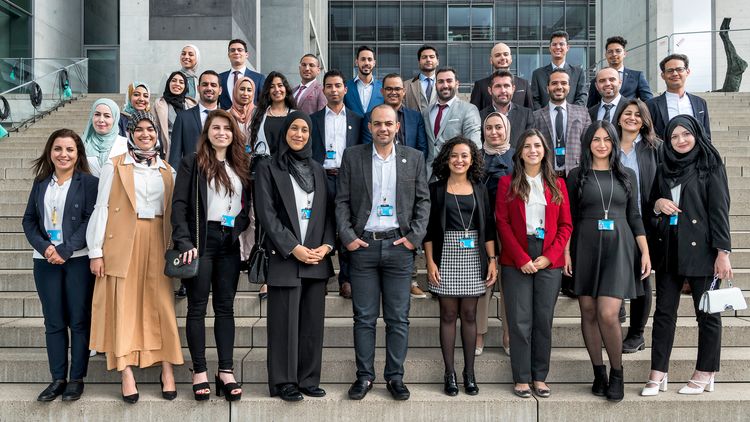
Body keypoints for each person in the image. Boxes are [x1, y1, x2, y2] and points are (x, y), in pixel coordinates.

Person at [87, 111, 183, 403]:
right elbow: (102, 206)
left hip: (159, 239)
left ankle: (167, 367)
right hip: (122, 240)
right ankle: (125, 371)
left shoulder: (167, 170)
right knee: (124, 305)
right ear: (130, 134)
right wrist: (96, 251)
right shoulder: (115, 165)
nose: (145, 134)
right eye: (139, 129)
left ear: (157, 134)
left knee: (161, 304)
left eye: (150, 130)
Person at [335, 104, 430, 401]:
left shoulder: (414, 158)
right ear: (370, 127)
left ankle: (395, 377)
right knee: (364, 318)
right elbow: (341, 201)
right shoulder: (353, 156)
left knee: (398, 318)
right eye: (378, 124)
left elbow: (423, 202)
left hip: (399, 247)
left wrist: (413, 238)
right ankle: (364, 376)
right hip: (363, 246)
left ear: (397, 126)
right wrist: (348, 238)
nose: (383, 128)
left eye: (389, 123)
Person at [642, 115, 731, 396]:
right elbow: (651, 206)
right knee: (664, 313)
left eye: (686, 134)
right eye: (674, 136)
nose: (680, 140)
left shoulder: (710, 165)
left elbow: (719, 211)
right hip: (669, 250)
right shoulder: (663, 167)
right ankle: (658, 373)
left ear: (696, 134)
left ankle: (705, 371)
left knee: (707, 314)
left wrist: (723, 252)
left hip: (703, 252)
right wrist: (658, 203)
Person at [564, 120, 651, 402]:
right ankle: (598, 372)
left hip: (619, 247)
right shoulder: (576, 175)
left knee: (608, 313)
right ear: (587, 143)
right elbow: (570, 218)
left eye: (607, 139)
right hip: (585, 246)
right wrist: (566, 252)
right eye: (596, 139)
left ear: (614, 142)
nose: (601, 145)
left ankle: (617, 372)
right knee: (588, 312)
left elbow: (634, 215)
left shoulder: (627, 175)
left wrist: (645, 251)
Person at [255, 111, 335, 401]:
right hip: (285, 256)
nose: (299, 134)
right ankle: (284, 381)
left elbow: (328, 213)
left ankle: (308, 379)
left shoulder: (317, 169)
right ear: (284, 132)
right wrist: (293, 247)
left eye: (304, 130)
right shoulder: (268, 167)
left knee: (312, 324)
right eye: (294, 128)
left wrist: (327, 246)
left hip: (316, 257)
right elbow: (266, 214)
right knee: (283, 324)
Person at [171, 110, 250, 401]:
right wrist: (184, 241)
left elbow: (245, 206)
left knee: (225, 308)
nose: (222, 133)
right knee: (197, 307)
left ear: (233, 133)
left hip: (229, 241)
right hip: (200, 242)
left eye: (227, 128)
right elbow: (179, 205)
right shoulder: (193, 162)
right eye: (216, 128)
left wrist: (237, 228)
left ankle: (225, 371)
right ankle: (200, 371)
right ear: (207, 132)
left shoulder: (240, 164)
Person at [496, 128, 573, 398]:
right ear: (519, 152)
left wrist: (550, 256)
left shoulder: (558, 184)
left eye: (537, 145)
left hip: (548, 258)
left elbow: (566, 225)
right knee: (519, 321)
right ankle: (521, 377)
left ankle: (540, 376)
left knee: (543, 320)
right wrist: (521, 258)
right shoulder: (507, 183)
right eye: (527, 146)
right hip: (516, 256)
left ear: (544, 151)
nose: (532, 150)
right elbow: (502, 223)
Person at [23, 129, 98, 402]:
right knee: (53, 320)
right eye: (58, 149)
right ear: (50, 152)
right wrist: (45, 247)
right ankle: (57, 379)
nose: (63, 154)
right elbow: (29, 220)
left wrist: (65, 250)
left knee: (78, 319)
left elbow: (91, 220)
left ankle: (76, 379)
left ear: (78, 154)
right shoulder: (41, 182)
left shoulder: (89, 182)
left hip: (77, 259)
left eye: (69, 149)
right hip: (45, 261)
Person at [424, 137, 497, 397]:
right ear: (447, 158)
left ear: (472, 159)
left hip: (473, 256)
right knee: (447, 315)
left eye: (465, 156)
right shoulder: (436, 189)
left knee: (469, 315)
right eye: (454, 155)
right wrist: (430, 262)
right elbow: (429, 230)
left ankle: (469, 373)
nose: (459, 160)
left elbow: (488, 228)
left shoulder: (480, 189)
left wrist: (492, 260)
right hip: (445, 255)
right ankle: (449, 373)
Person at [309, 69, 365, 299]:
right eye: (329, 86)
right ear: (323, 90)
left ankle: (347, 279)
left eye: (338, 85)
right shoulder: (312, 120)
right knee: (320, 226)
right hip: (321, 178)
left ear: (345, 89)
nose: (334, 90)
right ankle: (320, 276)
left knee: (346, 227)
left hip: (347, 179)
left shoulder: (357, 120)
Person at [613, 98, 662, 354]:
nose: (632, 117)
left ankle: (637, 333)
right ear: (619, 117)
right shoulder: (607, 146)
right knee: (614, 270)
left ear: (644, 121)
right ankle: (615, 315)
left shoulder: (654, 148)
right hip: (614, 221)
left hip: (646, 221)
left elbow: (665, 181)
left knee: (642, 276)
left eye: (637, 114)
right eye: (627, 113)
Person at [476, 112, 514, 357]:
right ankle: (479, 333)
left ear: (507, 129)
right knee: (483, 283)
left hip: (511, 228)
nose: (493, 132)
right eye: (488, 128)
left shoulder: (517, 156)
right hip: (482, 227)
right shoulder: (476, 156)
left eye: (498, 127)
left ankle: (508, 334)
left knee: (510, 284)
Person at [533, 69, 592, 178]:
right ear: (547, 88)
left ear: (569, 88)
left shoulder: (583, 113)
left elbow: (588, 145)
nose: (559, 87)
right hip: (546, 175)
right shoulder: (535, 116)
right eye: (554, 83)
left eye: (564, 83)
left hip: (576, 174)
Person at [424, 67, 482, 177]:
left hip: (454, 174)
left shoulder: (468, 109)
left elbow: (474, 146)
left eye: (449, 81)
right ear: (435, 85)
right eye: (440, 81)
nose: (445, 85)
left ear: (457, 84)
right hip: (429, 175)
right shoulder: (426, 112)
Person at [647, 54, 711, 140]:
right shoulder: (650, 105)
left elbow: (706, 137)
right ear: (663, 75)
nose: (675, 73)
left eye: (679, 69)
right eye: (670, 70)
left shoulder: (700, 103)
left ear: (687, 72)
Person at [366, 73, 427, 157]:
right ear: (382, 91)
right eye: (389, 89)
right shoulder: (370, 117)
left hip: (409, 164)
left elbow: (422, 149)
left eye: (397, 89)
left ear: (404, 91)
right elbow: (366, 149)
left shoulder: (416, 117)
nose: (393, 92)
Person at [168, 70, 222, 165]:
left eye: (213, 85)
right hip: (192, 172)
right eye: (205, 84)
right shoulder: (183, 118)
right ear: (198, 88)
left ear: (220, 90)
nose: (209, 88)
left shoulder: (227, 119)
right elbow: (175, 156)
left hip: (221, 172)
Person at [586, 36, 653, 108]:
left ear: (624, 53)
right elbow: (591, 107)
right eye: (610, 52)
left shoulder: (637, 76)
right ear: (606, 55)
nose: (614, 54)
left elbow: (649, 102)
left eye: (618, 51)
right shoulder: (597, 80)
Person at [531, 31, 587, 110]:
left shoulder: (578, 73)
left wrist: (571, 114)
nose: (557, 47)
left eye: (561, 44)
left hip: (572, 116)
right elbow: (534, 100)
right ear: (550, 48)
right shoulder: (538, 74)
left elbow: (582, 97)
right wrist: (544, 115)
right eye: (554, 44)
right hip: (544, 116)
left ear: (567, 48)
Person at [478, 70, 534, 149]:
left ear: (513, 89)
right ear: (490, 90)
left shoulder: (526, 114)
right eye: (498, 86)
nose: (503, 91)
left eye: (506, 86)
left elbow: (529, 144)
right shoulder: (480, 117)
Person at [471, 42, 533, 111]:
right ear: (491, 60)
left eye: (506, 54)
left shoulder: (524, 84)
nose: (503, 57)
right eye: (497, 55)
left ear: (511, 58)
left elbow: (530, 112)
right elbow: (474, 113)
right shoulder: (480, 85)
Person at [249, 71, 296, 157]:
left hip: (288, 163)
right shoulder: (258, 114)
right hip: (264, 163)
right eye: (272, 87)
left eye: (280, 85)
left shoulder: (295, 115)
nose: (277, 89)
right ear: (267, 91)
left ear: (286, 88)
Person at [154, 71, 198, 158]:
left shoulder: (191, 104)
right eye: (174, 81)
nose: (177, 84)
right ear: (168, 83)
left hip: (188, 149)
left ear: (185, 86)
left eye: (181, 82)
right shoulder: (159, 104)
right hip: (168, 149)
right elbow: (155, 128)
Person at [82, 98, 128, 177]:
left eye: (107, 116)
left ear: (115, 119)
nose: (101, 120)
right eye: (97, 114)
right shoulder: (82, 143)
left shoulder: (126, 145)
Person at [218, 39, 265, 108]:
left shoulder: (258, 78)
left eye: (240, 50)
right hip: (225, 114)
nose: (236, 52)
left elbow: (263, 103)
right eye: (232, 50)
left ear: (246, 54)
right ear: (228, 55)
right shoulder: (220, 78)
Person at [343, 45, 384, 117]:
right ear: (356, 62)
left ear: (374, 63)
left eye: (369, 59)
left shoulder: (382, 87)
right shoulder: (346, 87)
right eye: (363, 59)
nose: (366, 63)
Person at [403, 45, 439, 113]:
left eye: (432, 57)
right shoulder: (406, 85)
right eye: (424, 57)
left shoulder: (448, 85)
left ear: (437, 61)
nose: (428, 60)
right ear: (419, 62)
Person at [229, 76, 256, 140]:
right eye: (242, 89)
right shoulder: (227, 114)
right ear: (235, 91)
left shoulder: (259, 113)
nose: (245, 93)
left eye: (249, 90)